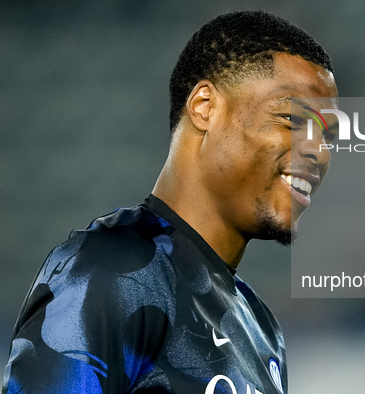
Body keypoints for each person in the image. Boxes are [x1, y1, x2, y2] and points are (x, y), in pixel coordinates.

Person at [2, 10, 337, 393]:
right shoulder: (113, 271)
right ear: (204, 107)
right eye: (292, 120)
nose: (320, 153)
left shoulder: (261, 328)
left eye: (329, 137)